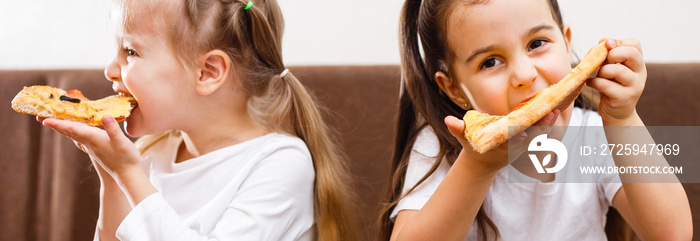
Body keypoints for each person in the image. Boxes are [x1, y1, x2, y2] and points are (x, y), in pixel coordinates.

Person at [38, 0, 357, 240]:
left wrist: (127, 173)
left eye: (131, 51)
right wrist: (113, 176)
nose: (110, 69)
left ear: (208, 72)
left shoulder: (279, 164)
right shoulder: (153, 155)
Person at [380, 0, 692, 240]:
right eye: (490, 62)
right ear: (454, 89)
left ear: (566, 43)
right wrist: (476, 168)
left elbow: (672, 234)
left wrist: (624, 120)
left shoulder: (594, 138)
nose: (525, 75)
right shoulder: (443, 146)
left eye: (537, 44)